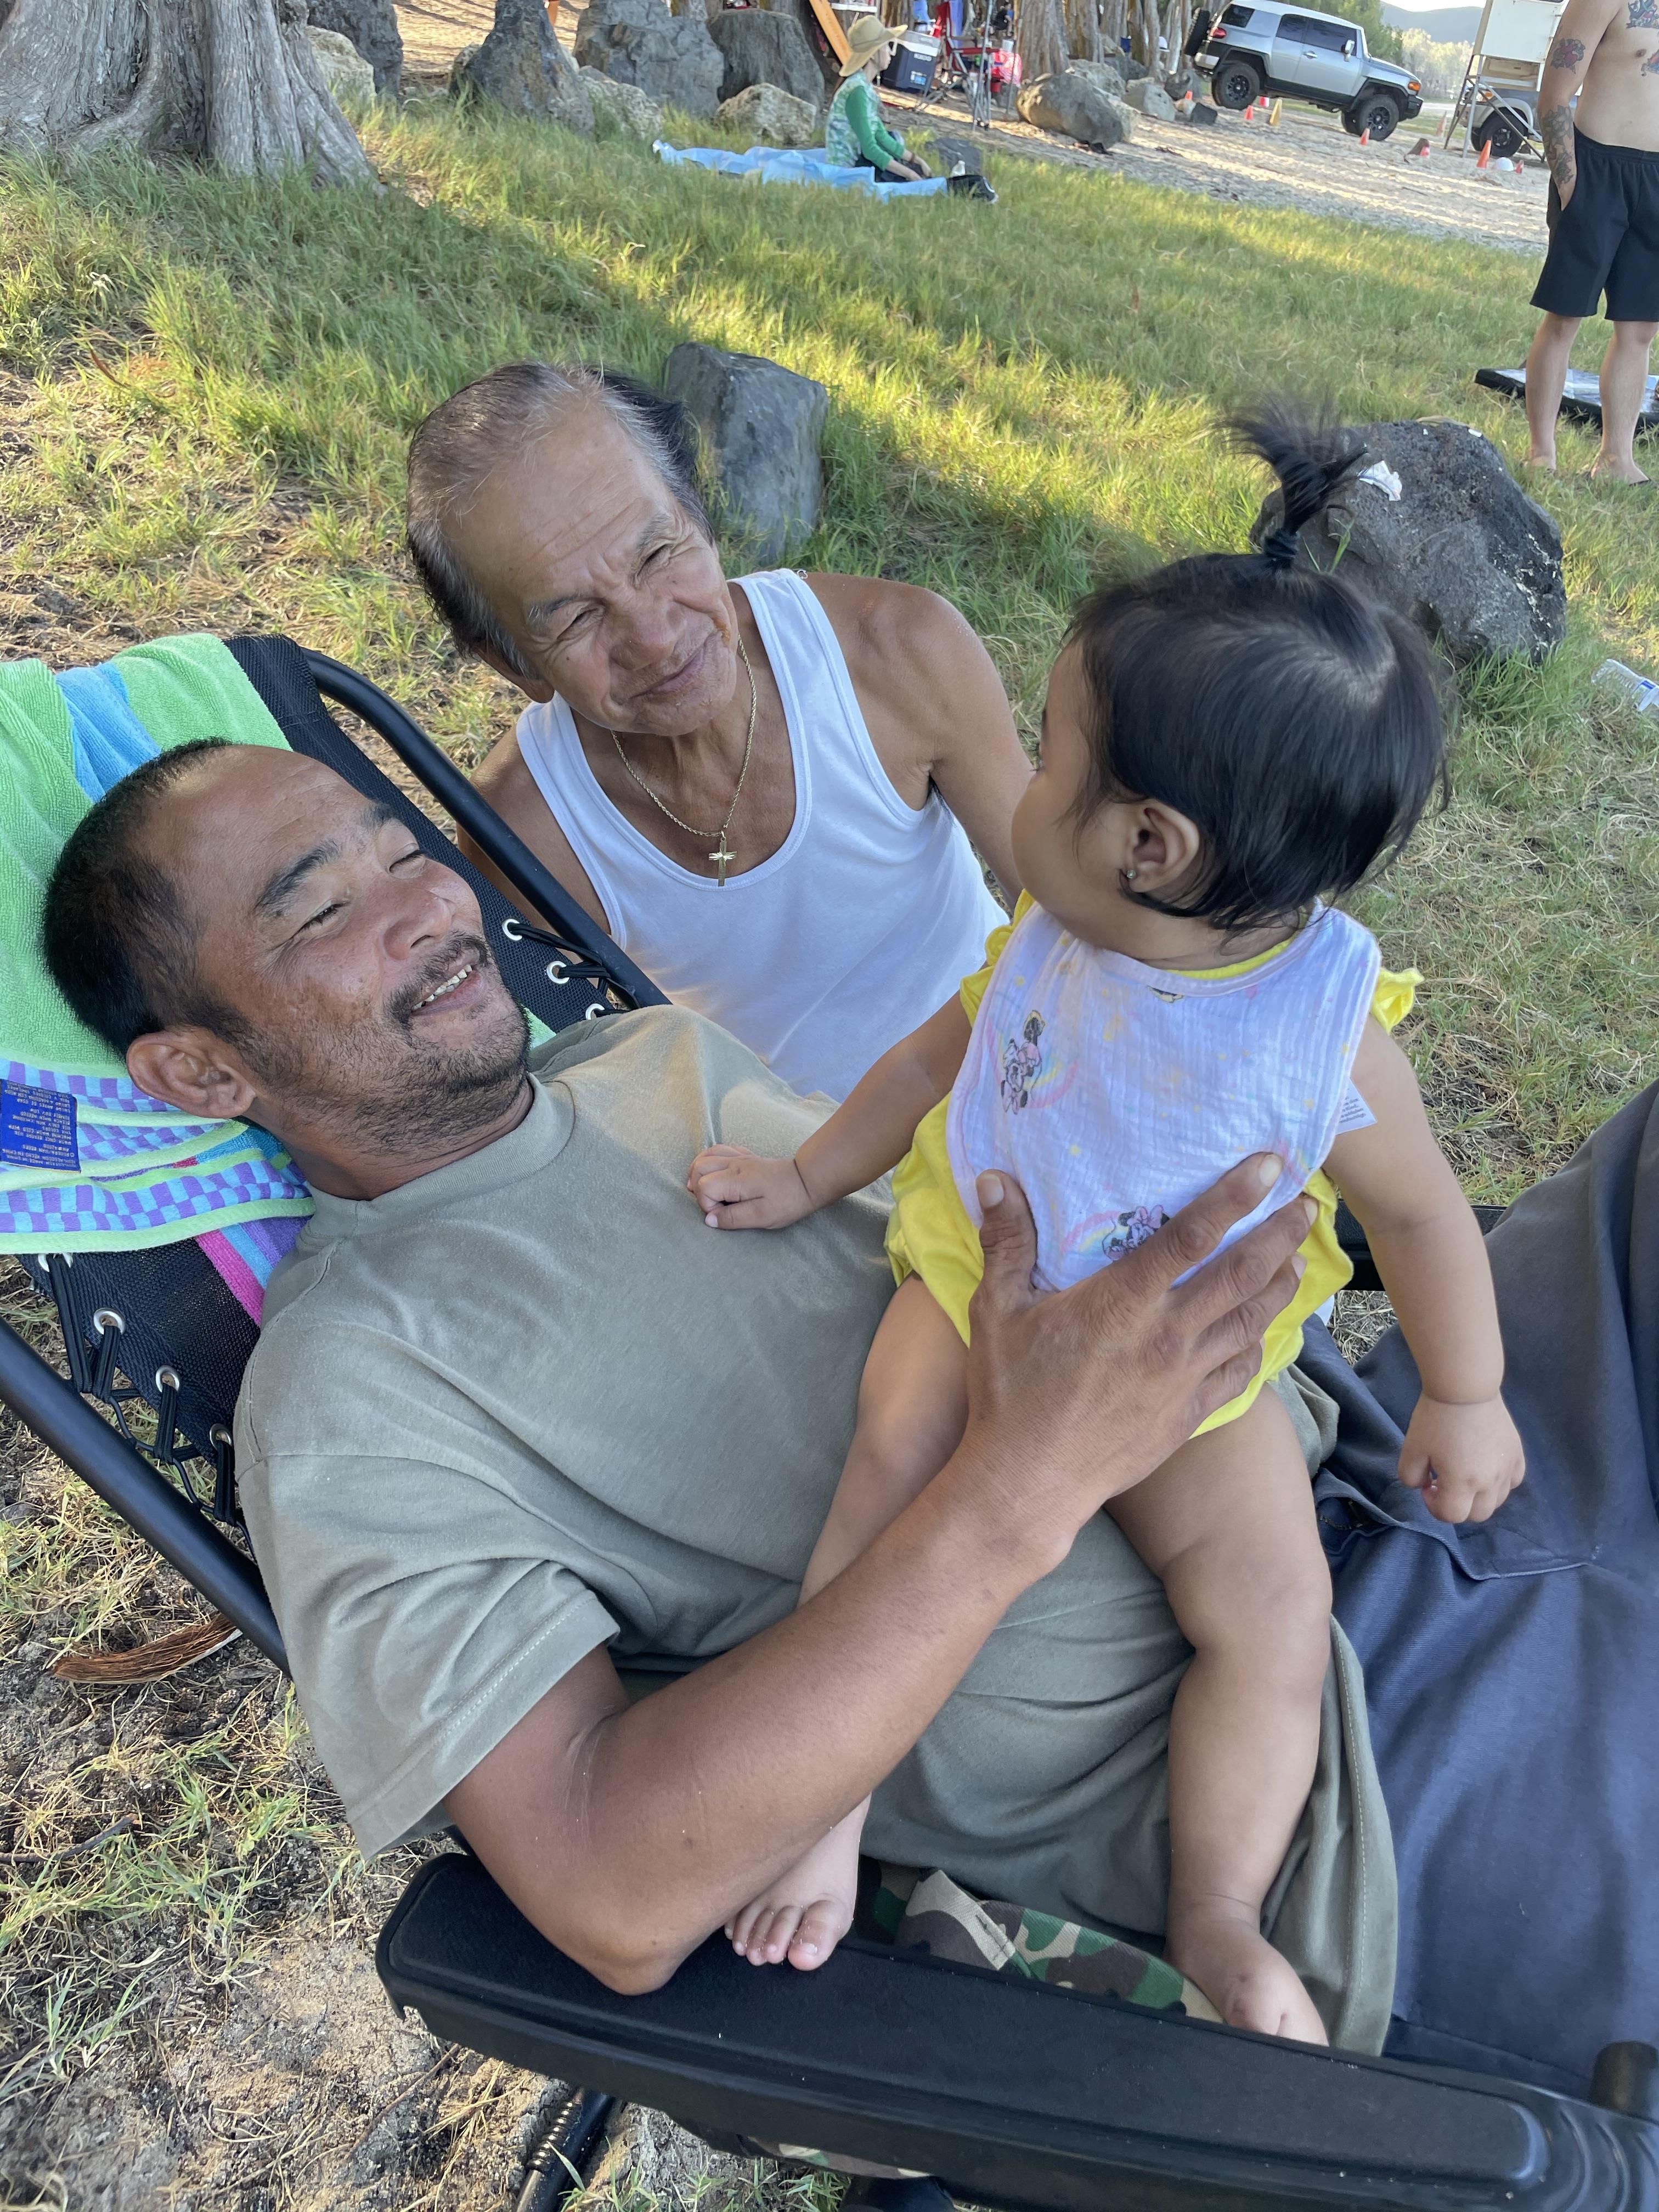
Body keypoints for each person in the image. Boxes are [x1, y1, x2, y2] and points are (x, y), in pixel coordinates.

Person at [40, 736, 1396, 2045]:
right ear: (203, 1070)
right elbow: (606, 1892)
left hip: (1337, 1526)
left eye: (404, 853)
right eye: (323, 908)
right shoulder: (356, 1388)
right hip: (1290, 1856)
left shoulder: (651, 1056)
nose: (430, 908)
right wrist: (1025, 1486)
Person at [687, 414, 1526, 2041]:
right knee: (887, 1480)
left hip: (1193, 1368)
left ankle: (1217, 1914)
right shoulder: (1057, 935)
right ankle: (833, 1795)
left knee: (1273, 1625)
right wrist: (807, 1175)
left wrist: (1467, 1392)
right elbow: (941, 1060)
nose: (1027, 781)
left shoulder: (1326, 1035)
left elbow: (1422, 1215)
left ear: (1156, 846)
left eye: (1054, 761)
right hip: (981, 1275)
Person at [405, 362, 1026, 1103]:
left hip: (1018, 1080)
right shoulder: (528, 839)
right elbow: (588, 1084)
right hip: (789, 1181)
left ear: (698, 516)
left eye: (659, 554)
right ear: (512, 663)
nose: (657, 637)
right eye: (575, 616)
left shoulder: (894, 651)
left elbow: (1079, 915)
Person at [1523, 0, 1659, 484]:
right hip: (1596, 169)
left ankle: (1616, 458)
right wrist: (1569, 183)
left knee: (1641, 328)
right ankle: (1542, 452)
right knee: (1565, 317)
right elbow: (1555, 94)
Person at [824, 17, 932, 182]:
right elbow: (870, 149)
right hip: (846, 169)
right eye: (887, 47)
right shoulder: (857, 91)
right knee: (897, 168)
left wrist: (916, 160)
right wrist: (910, 174)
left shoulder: (864, 87)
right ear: (874, 54)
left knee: (894, 140)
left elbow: (881, 135)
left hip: (857, 159)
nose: (890, 52)